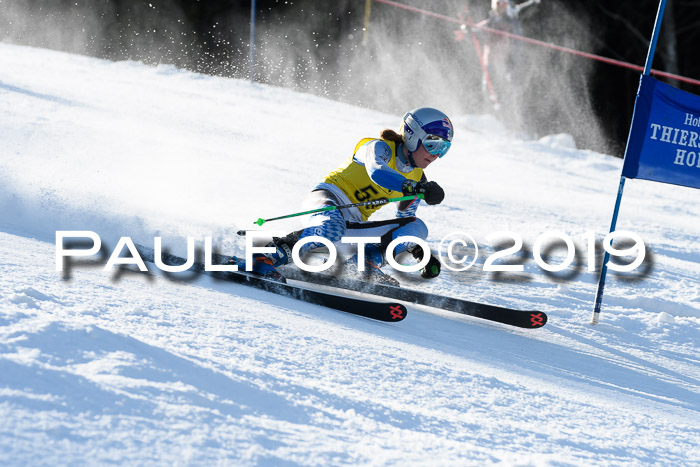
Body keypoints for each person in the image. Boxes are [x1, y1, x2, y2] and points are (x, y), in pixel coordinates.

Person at [236, 107, 454, 286]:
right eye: (432, 143)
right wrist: (413, 186)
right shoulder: (377, 147)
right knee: (333, 224)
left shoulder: (418, 178)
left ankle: (362, 266)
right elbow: (377, 172)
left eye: (444, 148)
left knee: (418, 226)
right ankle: (266, 256)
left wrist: (418, 249)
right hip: (326, 202)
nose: (436, 154)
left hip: (352, 226)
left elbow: (405, 221)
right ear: (412, 134)